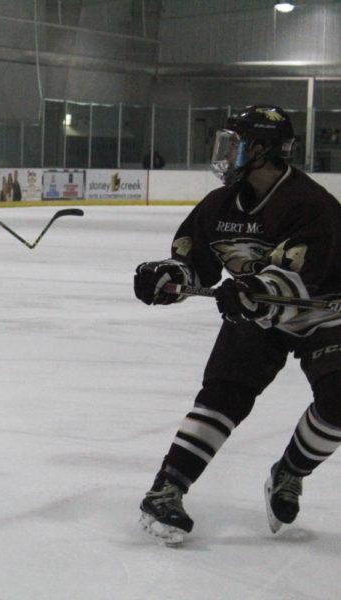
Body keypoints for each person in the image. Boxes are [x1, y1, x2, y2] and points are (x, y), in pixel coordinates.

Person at [133, 105, 341, 546]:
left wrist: (251, 289)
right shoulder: (218, 205)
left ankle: (289, 472)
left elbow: (302, 276)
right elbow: (196, 263)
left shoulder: (312, 206)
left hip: (326, 313)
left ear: (263, 150)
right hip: (259, 311)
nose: (226, 153)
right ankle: (166, 488)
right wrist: (171, 277)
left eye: (236, 144)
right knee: (224, 395)